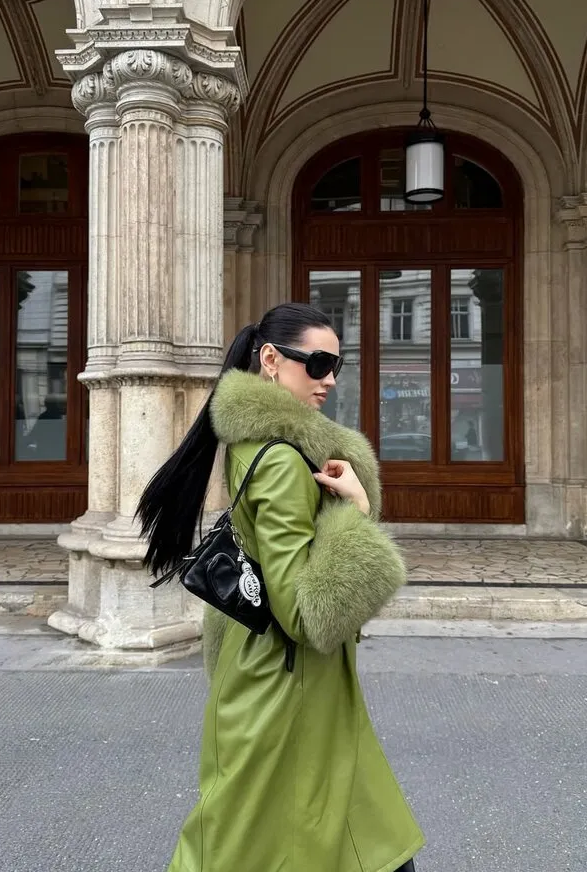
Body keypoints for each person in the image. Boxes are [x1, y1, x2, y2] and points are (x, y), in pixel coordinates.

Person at [137, 302, 425, 872]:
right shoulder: (282, 461)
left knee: (308, 830)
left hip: (273, 671)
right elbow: (303, 612)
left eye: (336, 365)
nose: (330, 379)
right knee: (259, 840)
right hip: (287, 683)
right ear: (270, 359)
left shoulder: (256, 443)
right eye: (317, 364)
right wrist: (356, 513)